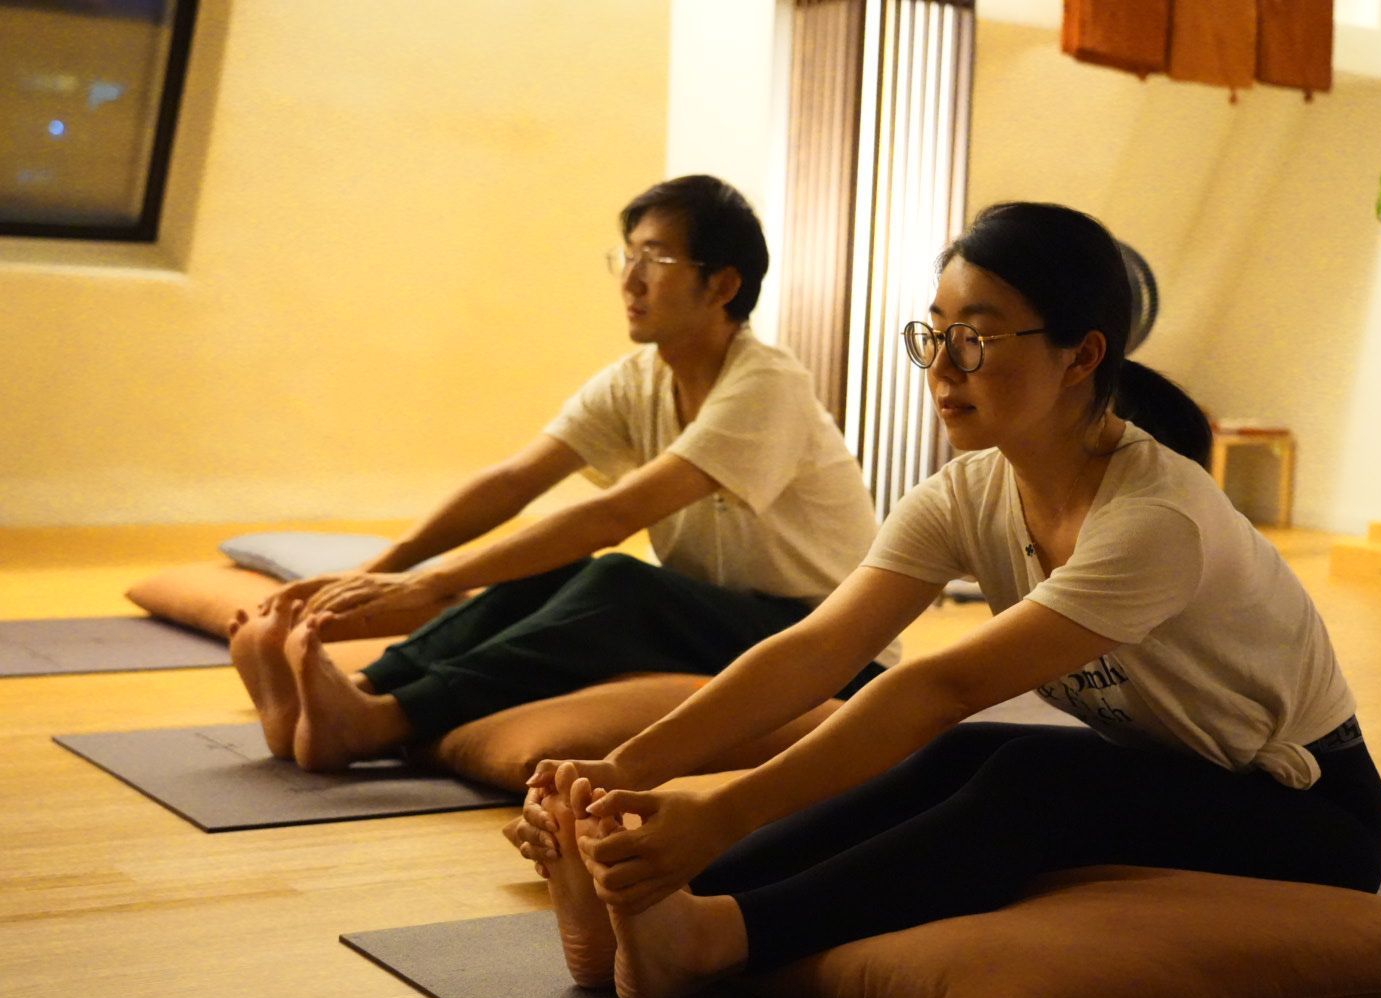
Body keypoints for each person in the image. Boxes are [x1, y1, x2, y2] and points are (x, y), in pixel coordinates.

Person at [516, 201, 1381, 998]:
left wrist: (724, 808)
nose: (941, 368)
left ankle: (714, 938)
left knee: (1029, 780)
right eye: (931, 335)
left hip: (1313, 819)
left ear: (1081, 356)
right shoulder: (967, 492)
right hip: (1178, 773)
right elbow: (819, 647)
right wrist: (626, 772)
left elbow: (937, 685)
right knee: (956, 757)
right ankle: (667, 895)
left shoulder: (1155, 519)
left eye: (975, 340)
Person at [228, 175, 894, 772]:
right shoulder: (639, 380)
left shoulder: (765, 386)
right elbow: (517, 480)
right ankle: (366, 690)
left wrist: (436, 582)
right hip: (720, 621)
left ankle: (386, 721)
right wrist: (387, 567)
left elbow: (615, 515)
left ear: (721, 285)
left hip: (828, 650)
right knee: (550, 568)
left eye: (656, 258)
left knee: (617, 578)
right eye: (627, 255)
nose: (631, 279)